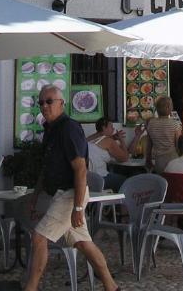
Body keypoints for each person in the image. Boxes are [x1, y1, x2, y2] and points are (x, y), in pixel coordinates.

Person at [24, 86, 119, 291]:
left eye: (49, 101)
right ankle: (112, 287)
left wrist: (77, 207)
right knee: (83, 243)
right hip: (60, 194)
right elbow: (46, 166)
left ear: (61, 103)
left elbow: (80, 168)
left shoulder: (69, 128)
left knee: (39, 237)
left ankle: (29, 288)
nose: (44, 106)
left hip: (69, 194)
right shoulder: (50, 129)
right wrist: (35, 195)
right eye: (41, 102)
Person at [85, 117, 143, 191]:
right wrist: (121, 140)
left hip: (88, 177)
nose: (113, 129)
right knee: (127, 181)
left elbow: (101, 142)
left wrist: (113, 138)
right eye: (111, 126)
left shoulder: (89, 138)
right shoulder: (109, 141)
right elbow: (125, 158)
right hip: (100, 178)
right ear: (104, 128)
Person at [144, 96, 181, 174]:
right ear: (169, 108)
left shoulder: (151, 123)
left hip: (159, 161)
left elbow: (149, 145)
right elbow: (178, 145)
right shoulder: (175, 124)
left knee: (162, 183)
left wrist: (148, 159)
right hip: (173, 159)